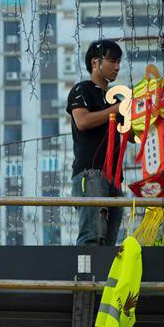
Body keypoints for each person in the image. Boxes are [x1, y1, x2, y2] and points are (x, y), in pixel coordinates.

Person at [66, 39, 125, 246]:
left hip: (114, 178)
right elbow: (82, 121)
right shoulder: (82, 89)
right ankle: (85, 269)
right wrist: (117, 110)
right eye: (112, 61)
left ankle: (98, 269)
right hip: (90, 173)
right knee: (93, 237)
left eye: (119, 62)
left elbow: (131, 134)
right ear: (95, 62)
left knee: (108, 243)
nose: (117, 67)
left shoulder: (115, 99)